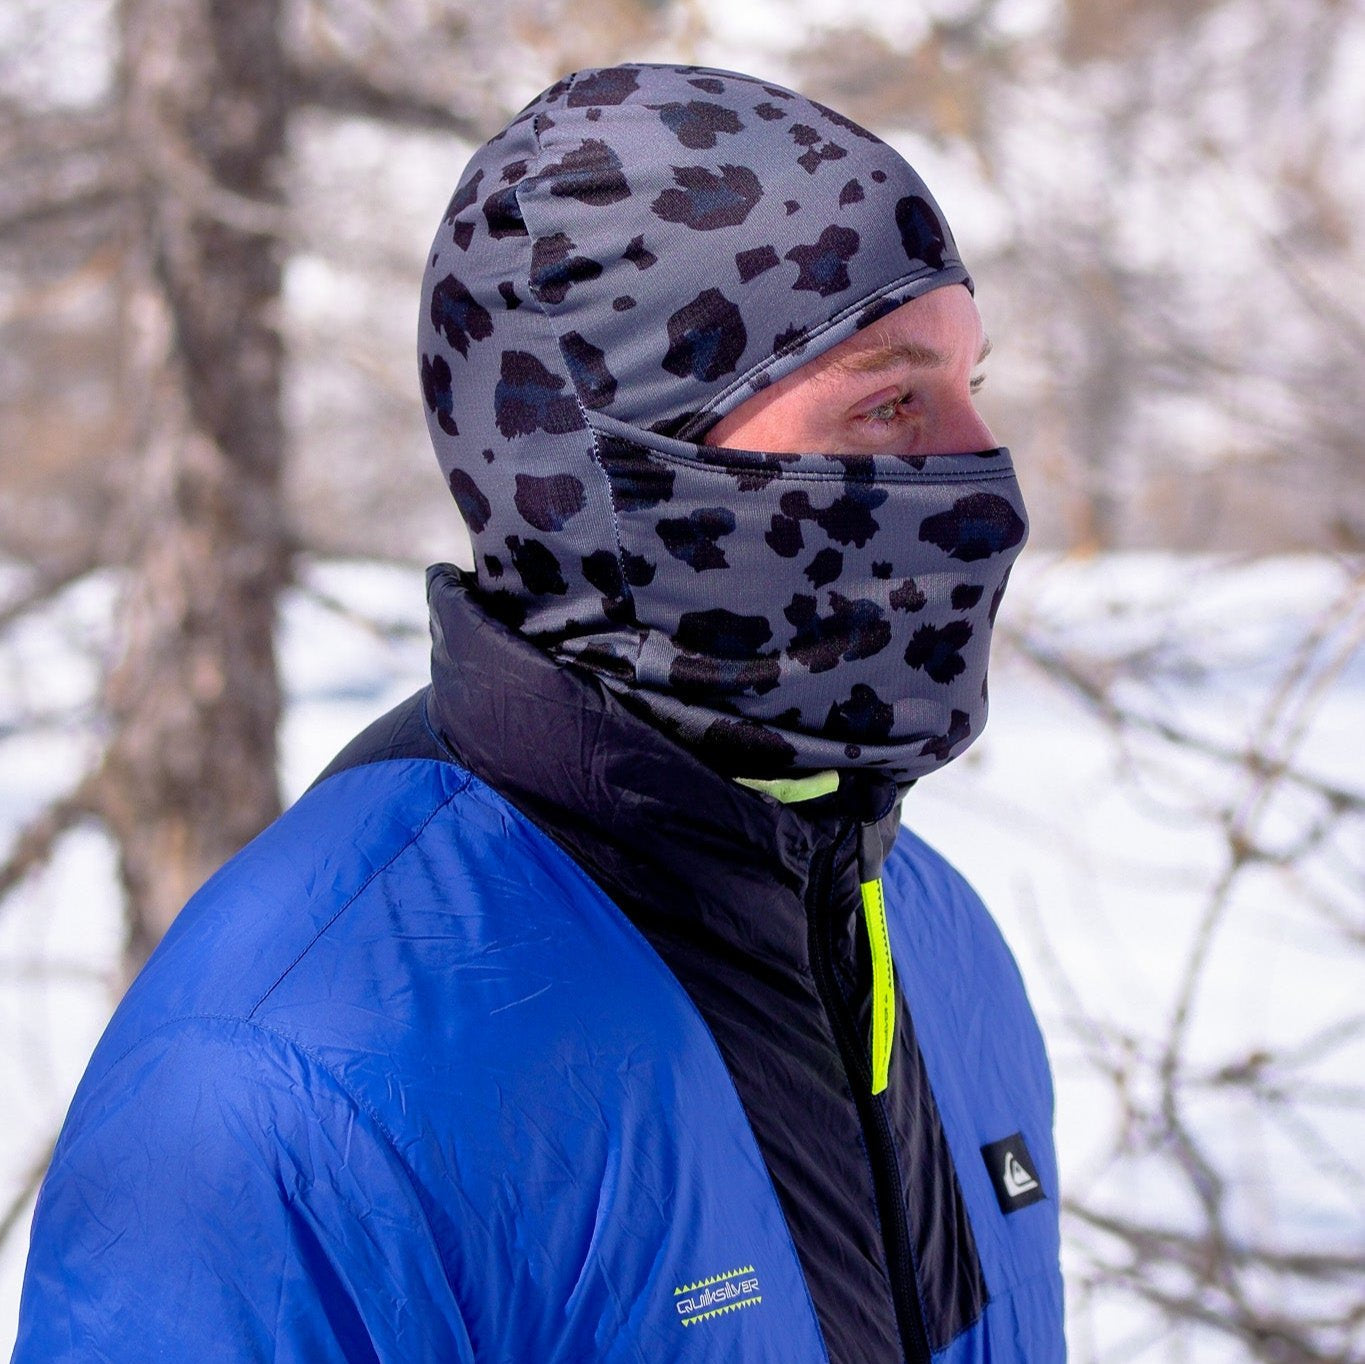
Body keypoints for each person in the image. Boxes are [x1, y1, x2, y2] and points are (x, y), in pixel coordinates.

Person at [12, 63, 1062, 1363]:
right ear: (611, 464)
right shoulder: (288, 1081)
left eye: (970, 386)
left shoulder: (936, 937)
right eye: (889, 402)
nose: (985, 481)